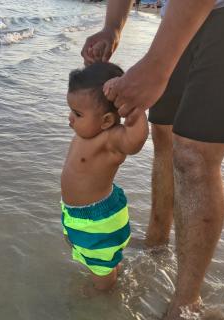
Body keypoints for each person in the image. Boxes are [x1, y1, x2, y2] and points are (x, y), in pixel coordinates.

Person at [81, 0, 224, 318]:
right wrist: (112, 26)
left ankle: (186, 304)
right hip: (184, 14)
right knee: (164, 133)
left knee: (193, 154)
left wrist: (156, 65)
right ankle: (157, 244)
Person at [61, 62, 148, 292]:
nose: (70, 118)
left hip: (98, 220)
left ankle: (104, 294)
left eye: (78, 114)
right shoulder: (87, 131)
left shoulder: (111, 138)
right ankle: (110, 272)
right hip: (78, 215)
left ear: (107, 120)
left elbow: (135, 141)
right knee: (93, 255)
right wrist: (94, 65)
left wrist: (135, 110)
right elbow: (96, 91)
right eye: (71, 110)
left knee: (100, 267)